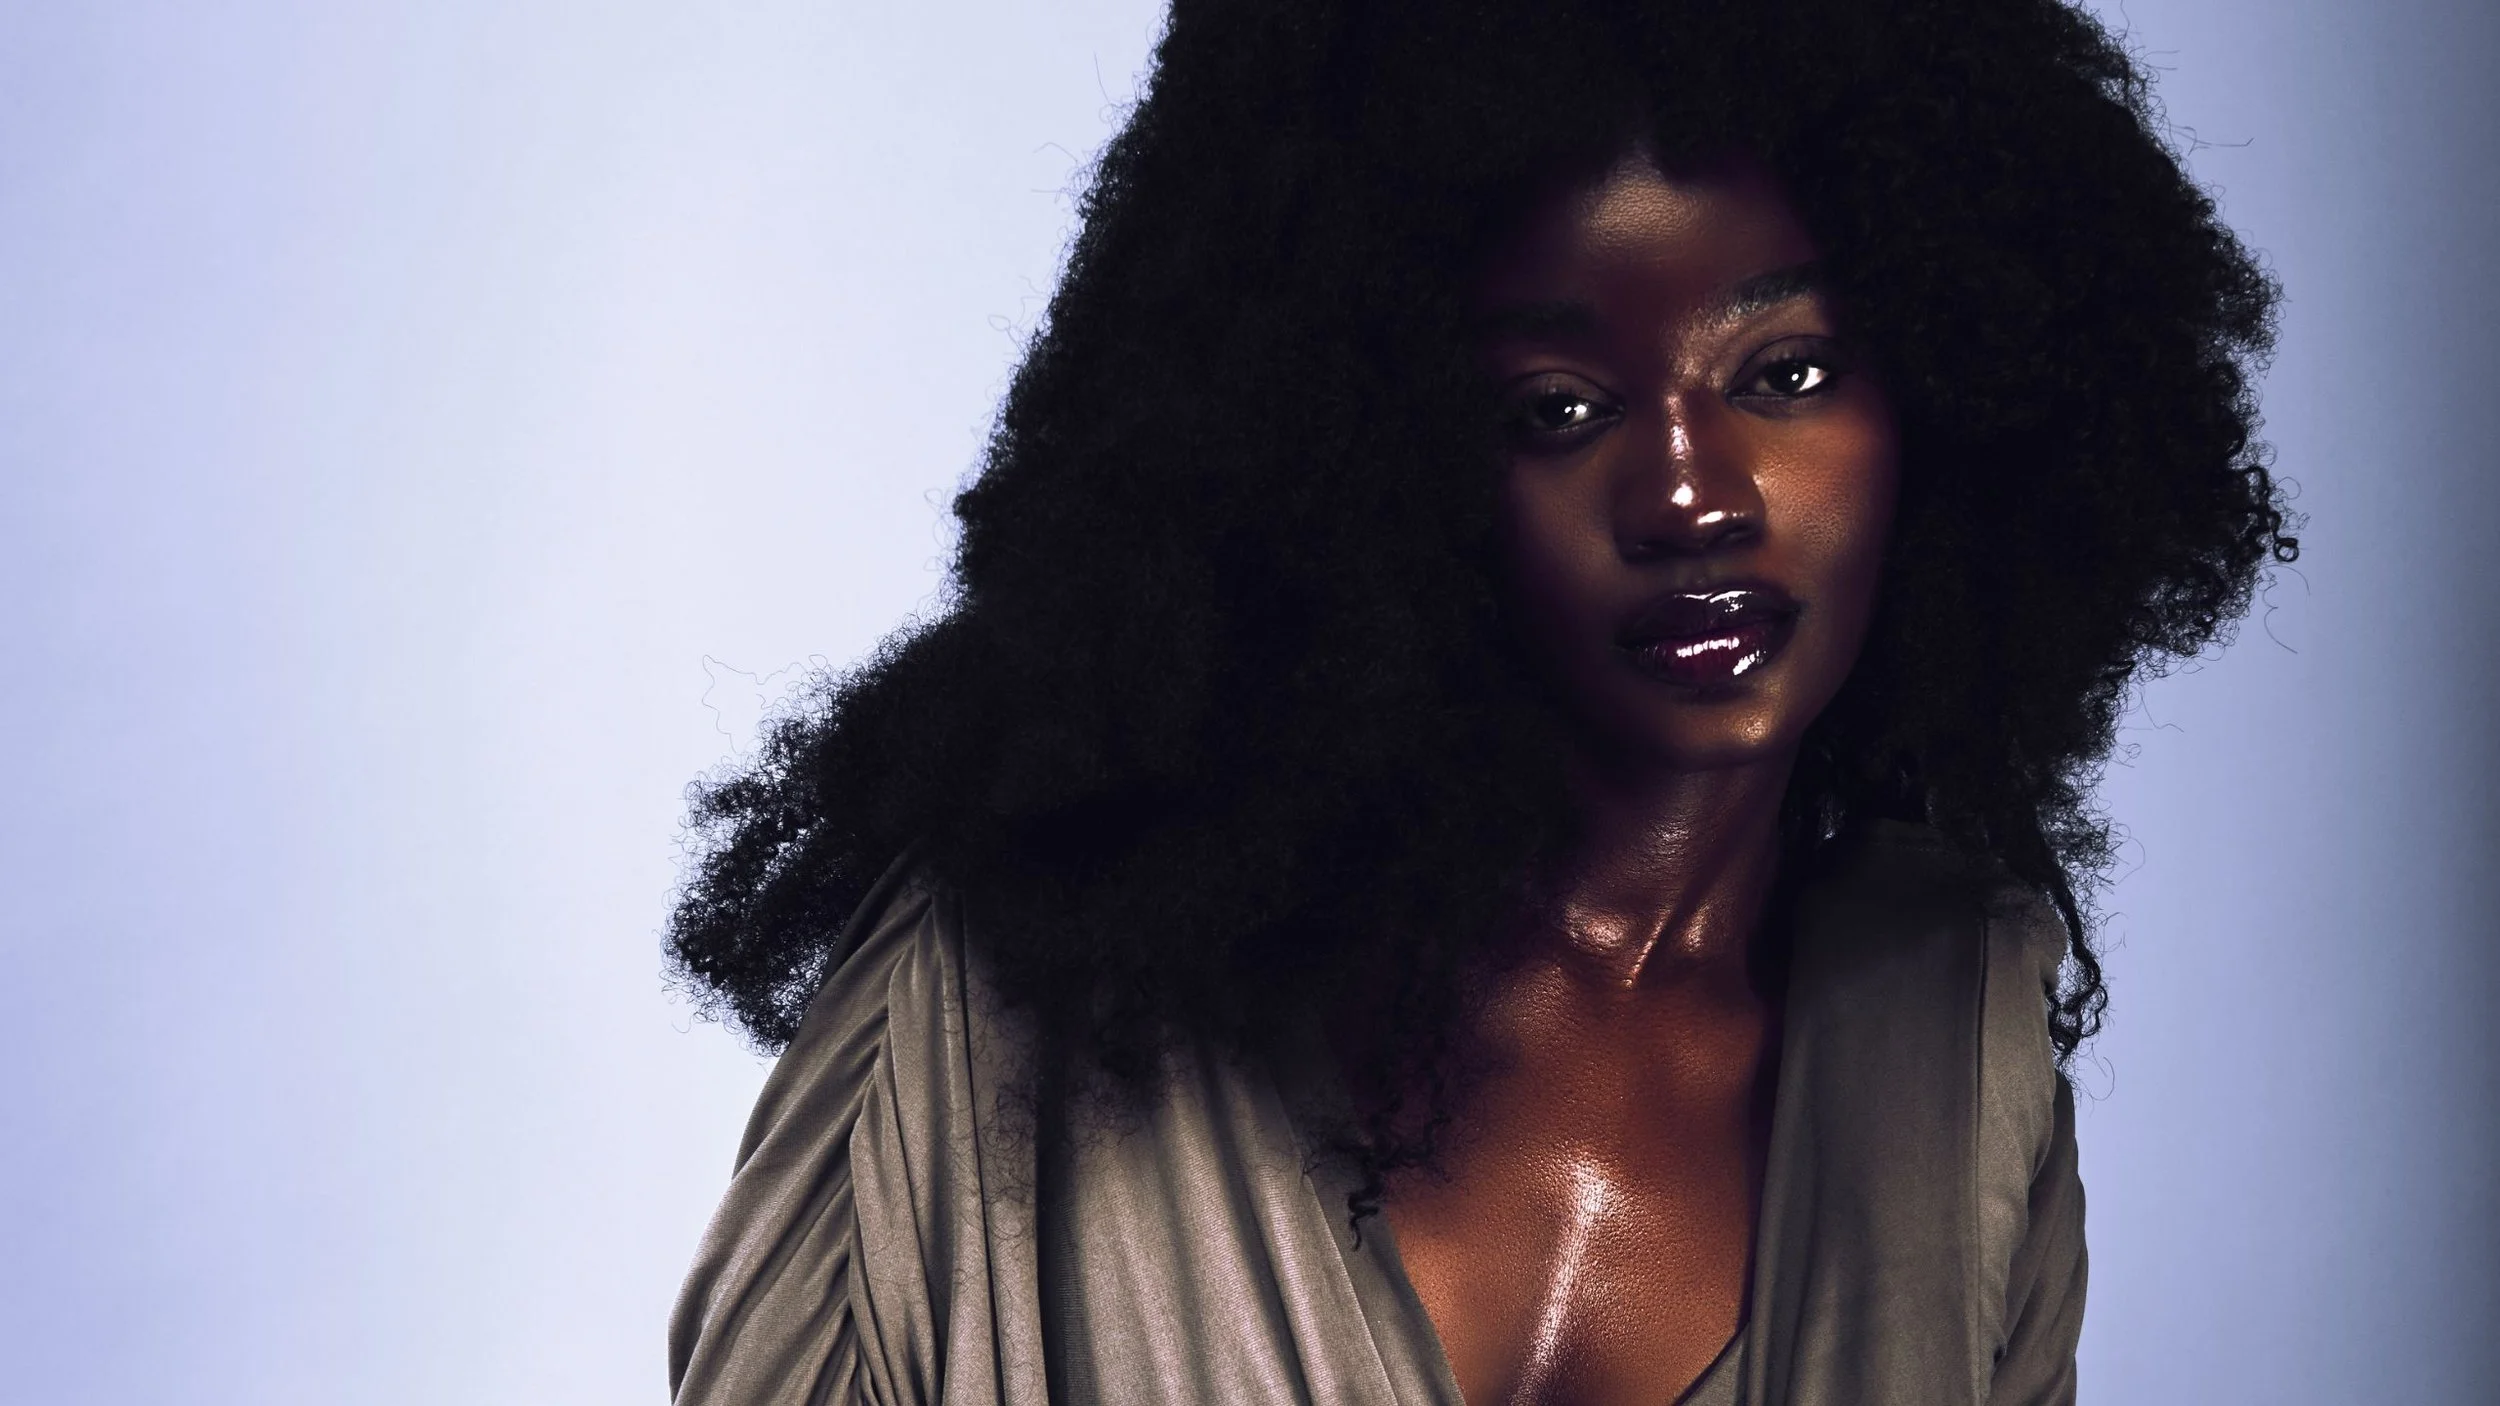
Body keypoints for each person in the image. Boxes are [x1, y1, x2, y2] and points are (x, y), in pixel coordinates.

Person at [663, 0, 2292, 1401]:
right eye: (1561, 407)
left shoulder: (1953, 1035)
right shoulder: (998, 993)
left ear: (1955, 386)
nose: (1690, 493)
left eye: (1783, 371)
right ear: (1378, 463)